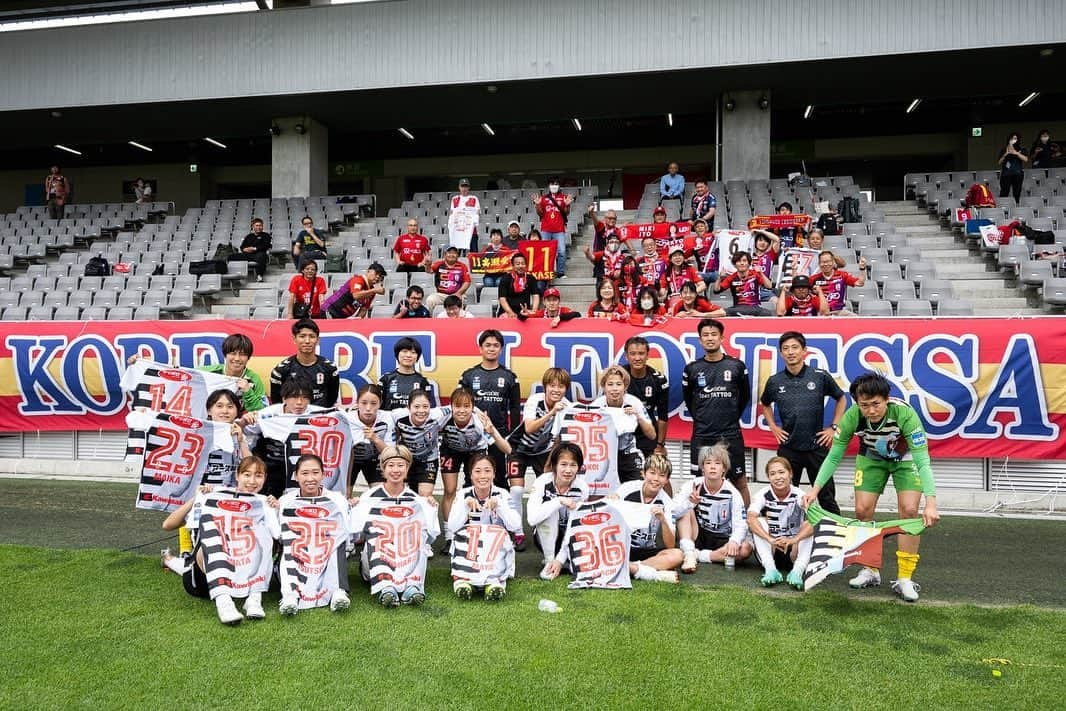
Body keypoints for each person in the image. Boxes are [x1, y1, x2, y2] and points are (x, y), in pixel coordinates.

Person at [802, 372, 940, 602]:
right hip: (871, 458)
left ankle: (904, 578)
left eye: (876, 404)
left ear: (887, 399)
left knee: (908, 510)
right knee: (862, 510)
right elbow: (834, 456)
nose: (871, 411)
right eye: (864, 405)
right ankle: (870, 569)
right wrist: (814, 490)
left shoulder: (905, 414)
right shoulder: (853, 416)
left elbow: (922, 460)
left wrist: (931, 503)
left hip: (904, 460)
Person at [161, 455, 279, 624]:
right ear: (237, 476)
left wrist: (276, 509)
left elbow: (279, 536)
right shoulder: (215, 495)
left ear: (264, 478)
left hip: (243, 568)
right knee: (216, 537)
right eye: (247, 474)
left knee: (265, 536)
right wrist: (198, 499)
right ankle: (223, 601)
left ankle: (254, 597)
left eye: (258, 475)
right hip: (204, 580)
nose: (252, 480)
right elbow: (168, 525)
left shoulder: (264, 503)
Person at [759, 331, 845, 514]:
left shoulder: (820, 376)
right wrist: (773, 427)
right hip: (789, 448)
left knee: (827, 498)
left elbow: (841, 399)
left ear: (804, 351)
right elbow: (765, 404)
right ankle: (786, 537)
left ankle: (839, 538)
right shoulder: (775, 381)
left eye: (795, 347)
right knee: (785, 496)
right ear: (781, 353)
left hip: (817, 447)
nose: (790, 352)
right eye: (786, 348)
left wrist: (834, 427)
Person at [349, 445, 439, 607]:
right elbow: (354, 535)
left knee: (418, 534)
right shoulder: (369, 497)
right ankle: (385, 587)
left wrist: (430, 507)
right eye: (391, 465)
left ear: (407, 468)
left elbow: (430, 537)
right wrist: (352, 508)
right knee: (377, 534)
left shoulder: (416, 500)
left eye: (400, 465)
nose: (395, 470)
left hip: (406, 558)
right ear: (383, 469)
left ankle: (413, 585)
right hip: (376, 559)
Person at [681, 318, 751, 507]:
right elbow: (689, 400)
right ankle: (699, 525)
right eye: (705, 335)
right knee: (698, 483)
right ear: (700, 340)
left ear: (722, 338)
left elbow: (744, 397)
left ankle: (744, 526)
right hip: (702, 434)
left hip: (730, 433)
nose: (710, 338)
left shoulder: (737, 366)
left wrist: (729, 416)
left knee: (739, 480)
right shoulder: (692, 369)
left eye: (714, 334)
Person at [459, 329, 522, 537]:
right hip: (473, 440)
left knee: (500, 482)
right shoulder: (469, 376)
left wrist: (510, 438)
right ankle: (468, 528)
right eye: (488, 345)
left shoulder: (510, 377)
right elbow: (461, 406)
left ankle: (504, 527)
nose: (491, 348)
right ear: (480, 348)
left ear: (501, 349)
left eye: (496, 345)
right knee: (472, 480)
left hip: (498, 438)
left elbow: (514, 409)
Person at [277, 453, 354, 615]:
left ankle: (338, 592)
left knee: (337, 543)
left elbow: (346, 532)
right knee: (288, 546)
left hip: (324, 548)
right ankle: (290, 596)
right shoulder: (285, 501)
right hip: (299, 549)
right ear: (295, 476)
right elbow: (278, 534)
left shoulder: (337, 500)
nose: (310, 478)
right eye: (305, 473)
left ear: (323, 474)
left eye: (315, 472)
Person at [446, 452, 521, 600]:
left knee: (498, 543)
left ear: (494, 473)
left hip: (494, 545)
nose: (483, 476)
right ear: (471, 474)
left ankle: (494, 585)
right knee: (463, 539)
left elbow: (515, 525)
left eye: (487, 471)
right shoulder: (463, 494)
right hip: (470, 544)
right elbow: (453, 527)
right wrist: (465, 506)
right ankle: (462, 583)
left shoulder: (502, 494)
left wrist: (499, 506)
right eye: (477, 471)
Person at [675, 443, 752, 573]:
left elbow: (741, 523)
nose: (712, 467)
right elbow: (672, 513)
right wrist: (690, 503)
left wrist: (734, 541)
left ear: (724, 469)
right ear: (702, 468)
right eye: (708, 463)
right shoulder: (692, 485)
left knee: (745, 549)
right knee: (685, 511)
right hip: (699, 534)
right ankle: (689, 552)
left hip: (723, 538)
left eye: (717, 463)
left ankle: (699, 556)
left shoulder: (733, 492)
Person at [439, 387, 512, 521]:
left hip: (475, 451)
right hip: (451, 449)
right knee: (450, 490)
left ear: (472, 407)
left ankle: (475, 524)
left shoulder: (479, 421)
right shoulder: (442, 416)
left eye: (466, 406)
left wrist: (492, 432)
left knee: (474, 488)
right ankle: (450, 534)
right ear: (451, 406)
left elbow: (507, 449)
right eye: (457, 406)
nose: (462, 410)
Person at [243, 379, 321, 497]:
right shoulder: (269, 413)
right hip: (272, 465)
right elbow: (243, 429)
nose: (299, 402)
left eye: (305, 398)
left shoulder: (320, 414)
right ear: (284, 398)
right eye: (294, 397)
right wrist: (245, 420)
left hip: (302, 466)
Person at [507, 367, 571, 506]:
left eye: (561, 386)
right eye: (552, 386)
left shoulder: (567, 407)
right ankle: (516, 528)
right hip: (519, 448)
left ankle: (540, 525)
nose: (556, 390)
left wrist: (550, 462)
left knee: (545, 489)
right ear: (545, 387)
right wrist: (551, 413)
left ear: (566, 389)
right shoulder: (535, 400)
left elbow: (559, 440)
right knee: (517, 490)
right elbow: (529, 428)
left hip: (543, 451)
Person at [747, 456, 813, 589]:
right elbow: (750, 518)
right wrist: (770, 539)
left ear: (790, 473)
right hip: (772, 549)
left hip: (793, 551)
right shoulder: (762, 494)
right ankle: (771, 570)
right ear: (768, 477)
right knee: (759, 521)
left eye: (781, 472)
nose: (778, 477)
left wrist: (795, 539)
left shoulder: (800, 495)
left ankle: (797, 572)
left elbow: (815, 520)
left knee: (809, 524)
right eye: (773, 474)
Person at [616, 453, 683, 583]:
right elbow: (610, 507)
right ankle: (642, 570)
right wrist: (613, 499)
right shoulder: (627, 488)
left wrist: (663, 520)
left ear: (667, 480)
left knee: (677, 555)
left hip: (647, 551)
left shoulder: (668, 503)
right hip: (622, 546)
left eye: (662, 475)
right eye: (652, 473)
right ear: (643, 473)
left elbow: (670, 545)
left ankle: (631, 568)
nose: (656, 479)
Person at [527, 442, 589, 579]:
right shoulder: (542, 482)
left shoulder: (582, 488)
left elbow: (578, 527)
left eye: (573, 465)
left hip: (570, 536)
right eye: (563, 464)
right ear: (554, 465)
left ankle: (563, 561)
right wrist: (558, 501)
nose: (568, 470)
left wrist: (561, 558)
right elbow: (531, 519)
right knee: (551, 512)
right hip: (544, 537)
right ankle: (549, 561)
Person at [590, 365, 657, 483]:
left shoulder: (634, 402)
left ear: (625, 386)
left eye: (618, 384)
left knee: (637, 488)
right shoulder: (597, 405)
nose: (614, 389)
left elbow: (652, 435)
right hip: (603, 456)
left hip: (628, 454)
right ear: (603, 387)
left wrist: (638, 416)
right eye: (610, 384)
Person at [389, 390, 450, 499]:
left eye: (425, 406)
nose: (421, 411)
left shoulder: (438, 415)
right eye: (416, 407)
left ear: (430, 406)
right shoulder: (397, 415)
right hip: (406, 459)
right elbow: (379, 415)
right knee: (403, 495)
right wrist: (355, 410)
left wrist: (480, 414)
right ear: (408, 407)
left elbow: (460, 407)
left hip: (429, 459)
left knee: (425, 496)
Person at [269, 318, 339, 408]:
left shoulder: (330, 368)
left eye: (312, 336)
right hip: (291, 418)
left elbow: (331, 399)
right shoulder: (281, 371)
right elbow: (277, 404)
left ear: (318, 340)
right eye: (302, 336)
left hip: (320, 417)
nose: (307, 341)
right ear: (294, 339)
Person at [621, 336, 669, 464]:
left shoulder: (658, 379)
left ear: (648, 355)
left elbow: (663, 416)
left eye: (641, 353)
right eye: (633, 354)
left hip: (647, 431)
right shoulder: (618, 376)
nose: (637, 358)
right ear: (626, 356)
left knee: (657, 469)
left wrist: (660, 445)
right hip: (622, 431)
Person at [197, 333, 267, 412]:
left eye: (242, 354)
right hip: (211, 422)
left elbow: (263, 413)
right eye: (233, 353)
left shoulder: (254, 380)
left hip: (240, 423)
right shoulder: (208, 373)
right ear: (225, 355)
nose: (237, 358)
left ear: (248, 358)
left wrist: (248, 393)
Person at [345, 383, 392, 494]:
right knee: (344, 496)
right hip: (351, 460)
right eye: (364, 403)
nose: (368, 408)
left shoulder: (387, 419)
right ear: (357, 403)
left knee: (381, 495)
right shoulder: (347, 418)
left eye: (373, 403)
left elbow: (390, 453)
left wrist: (375, 439)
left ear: (380, 404)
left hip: (375, 459)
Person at [530, 178, 572, 279]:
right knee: (545, 251)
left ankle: (560, 272)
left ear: (559, 186)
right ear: (549, 186)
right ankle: (546, 271)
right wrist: (537, 204)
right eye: (552, 184)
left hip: (559, 230)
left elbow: (566, 213)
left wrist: (567, 205)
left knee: (561, 251)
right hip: (546, 229)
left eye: (556, 184)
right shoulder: (543, 198)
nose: (554, 186)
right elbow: (540, 213)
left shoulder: (563, 197)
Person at [378, 336, 431, 410]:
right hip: (389, 421)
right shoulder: (386, 379)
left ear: (417, 357)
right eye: (404, 351)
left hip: (412, 421)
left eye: (413, 352)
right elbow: (377, 405)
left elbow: (427, 408)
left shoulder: (422, 381)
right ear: (397, 354)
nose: (408, 355)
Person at [714, 251, 773, 317]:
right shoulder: (731, 277)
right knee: (721, 312)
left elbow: (769, 286)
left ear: (749, 263)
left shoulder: (756, 274)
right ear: (735, 264)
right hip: (737, 308)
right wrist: (720, 278)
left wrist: (761, 273)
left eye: (744, 261)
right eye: (739, 261)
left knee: (767, 313)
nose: (742, 263)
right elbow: (716, 290)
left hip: (754, 308)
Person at [811, 250, 865, 315]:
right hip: (822, 313)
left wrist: (862, 269)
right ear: (819, 264)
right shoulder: (813, 279)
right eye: (823, 262)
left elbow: (860, 283)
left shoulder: (842, 275)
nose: (825, 264)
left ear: (833, 262)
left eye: (828, 261)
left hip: (840, 311)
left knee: (856, 320)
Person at [425, 246, 472, 311]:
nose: (452, 255)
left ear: (457, 255)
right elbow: (429, 271)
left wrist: (459, 293)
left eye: (454, 253)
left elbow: (467, 282)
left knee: (460, 301)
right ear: (445, 254)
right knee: (430, 300)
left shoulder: (462, 266)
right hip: (441, 295)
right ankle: (429, 319)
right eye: (449, 253)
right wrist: (428, 264)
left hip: (456, 294)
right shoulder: (439, 264)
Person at [229, 218, 271, 282]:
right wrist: (245, 249)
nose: (259, 227)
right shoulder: (249, 236)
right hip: (248, 255)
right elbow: (242, 247)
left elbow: (265, 245)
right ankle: (233, 275)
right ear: (253, 226)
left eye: (260, 225)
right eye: (257, 225)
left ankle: (259, 275)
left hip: (259, 254)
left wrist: (254, 249)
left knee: (261, 256)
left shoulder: (266, 235)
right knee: (231, 256)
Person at [497, 252, 540, 317]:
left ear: (526, 265)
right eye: (517, 264)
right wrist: (510, 312)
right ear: (513, 266)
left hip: (524, 311)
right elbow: (502, 298)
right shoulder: (505, 278)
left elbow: (535, 295)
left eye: (523, 264)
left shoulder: (531, 278)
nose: (520, 266)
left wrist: (534, 311)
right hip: (507, 312)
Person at [449, 177, 481, 252]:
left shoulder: (474, 198)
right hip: (458, 230)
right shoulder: (455, 199)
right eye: (462, 186)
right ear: (459, 187)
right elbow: (452, 213)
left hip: (471, 230)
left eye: (466, 186)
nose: (464, 188)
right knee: (456, 252)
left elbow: (477, 212)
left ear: (469, 187)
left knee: (474, 253)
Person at [997, 132, 1028, 202]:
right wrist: (1005, 154)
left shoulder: (1022, 148)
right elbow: (999, 162)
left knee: (1017, 192)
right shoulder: (1004, 149)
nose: (1013, 140)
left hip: (1017, 174)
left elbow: (1026, 159)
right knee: (1004, 192)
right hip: (1006, 174)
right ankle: (1003, 206)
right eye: (1012, 138)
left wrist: (1016, 153)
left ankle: (1016, 206)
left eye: (1015, 138)